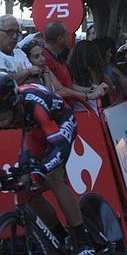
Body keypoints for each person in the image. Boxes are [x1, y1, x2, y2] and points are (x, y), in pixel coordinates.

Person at [0, 72, 95, 255]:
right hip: (32, 130)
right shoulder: (11, 111)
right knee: (25, 187)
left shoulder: (34, 105)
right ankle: (60, 237)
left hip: (59, 122)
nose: (0, 122)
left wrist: (42, 167)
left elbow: (58, 145)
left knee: (52, 177)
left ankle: (83, 240)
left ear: (14, 104)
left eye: (2, 117)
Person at [0, 15, 40, 84]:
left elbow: (36, 79)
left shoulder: (20, 53)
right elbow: (5, 82)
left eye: (17, 32)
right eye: (10, 32)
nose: (15, 36)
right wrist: (28, 71)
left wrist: (16, 78)